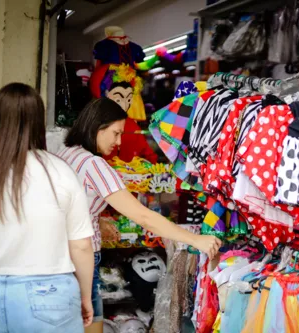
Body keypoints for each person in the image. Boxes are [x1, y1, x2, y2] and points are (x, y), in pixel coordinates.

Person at [58, 98, 222, 333]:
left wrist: (94, 217)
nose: (119, 141)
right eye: (115, 133)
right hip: (81, 262)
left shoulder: (68, 153)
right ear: (97, 127)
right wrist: (196, 239)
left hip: (63, 259)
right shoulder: (95, 166)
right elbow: (143, 217)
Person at [0, 83, 95, 332]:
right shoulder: (59, 171)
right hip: (48, 295)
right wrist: (85, 296)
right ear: (38, 121)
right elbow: (81, 245)